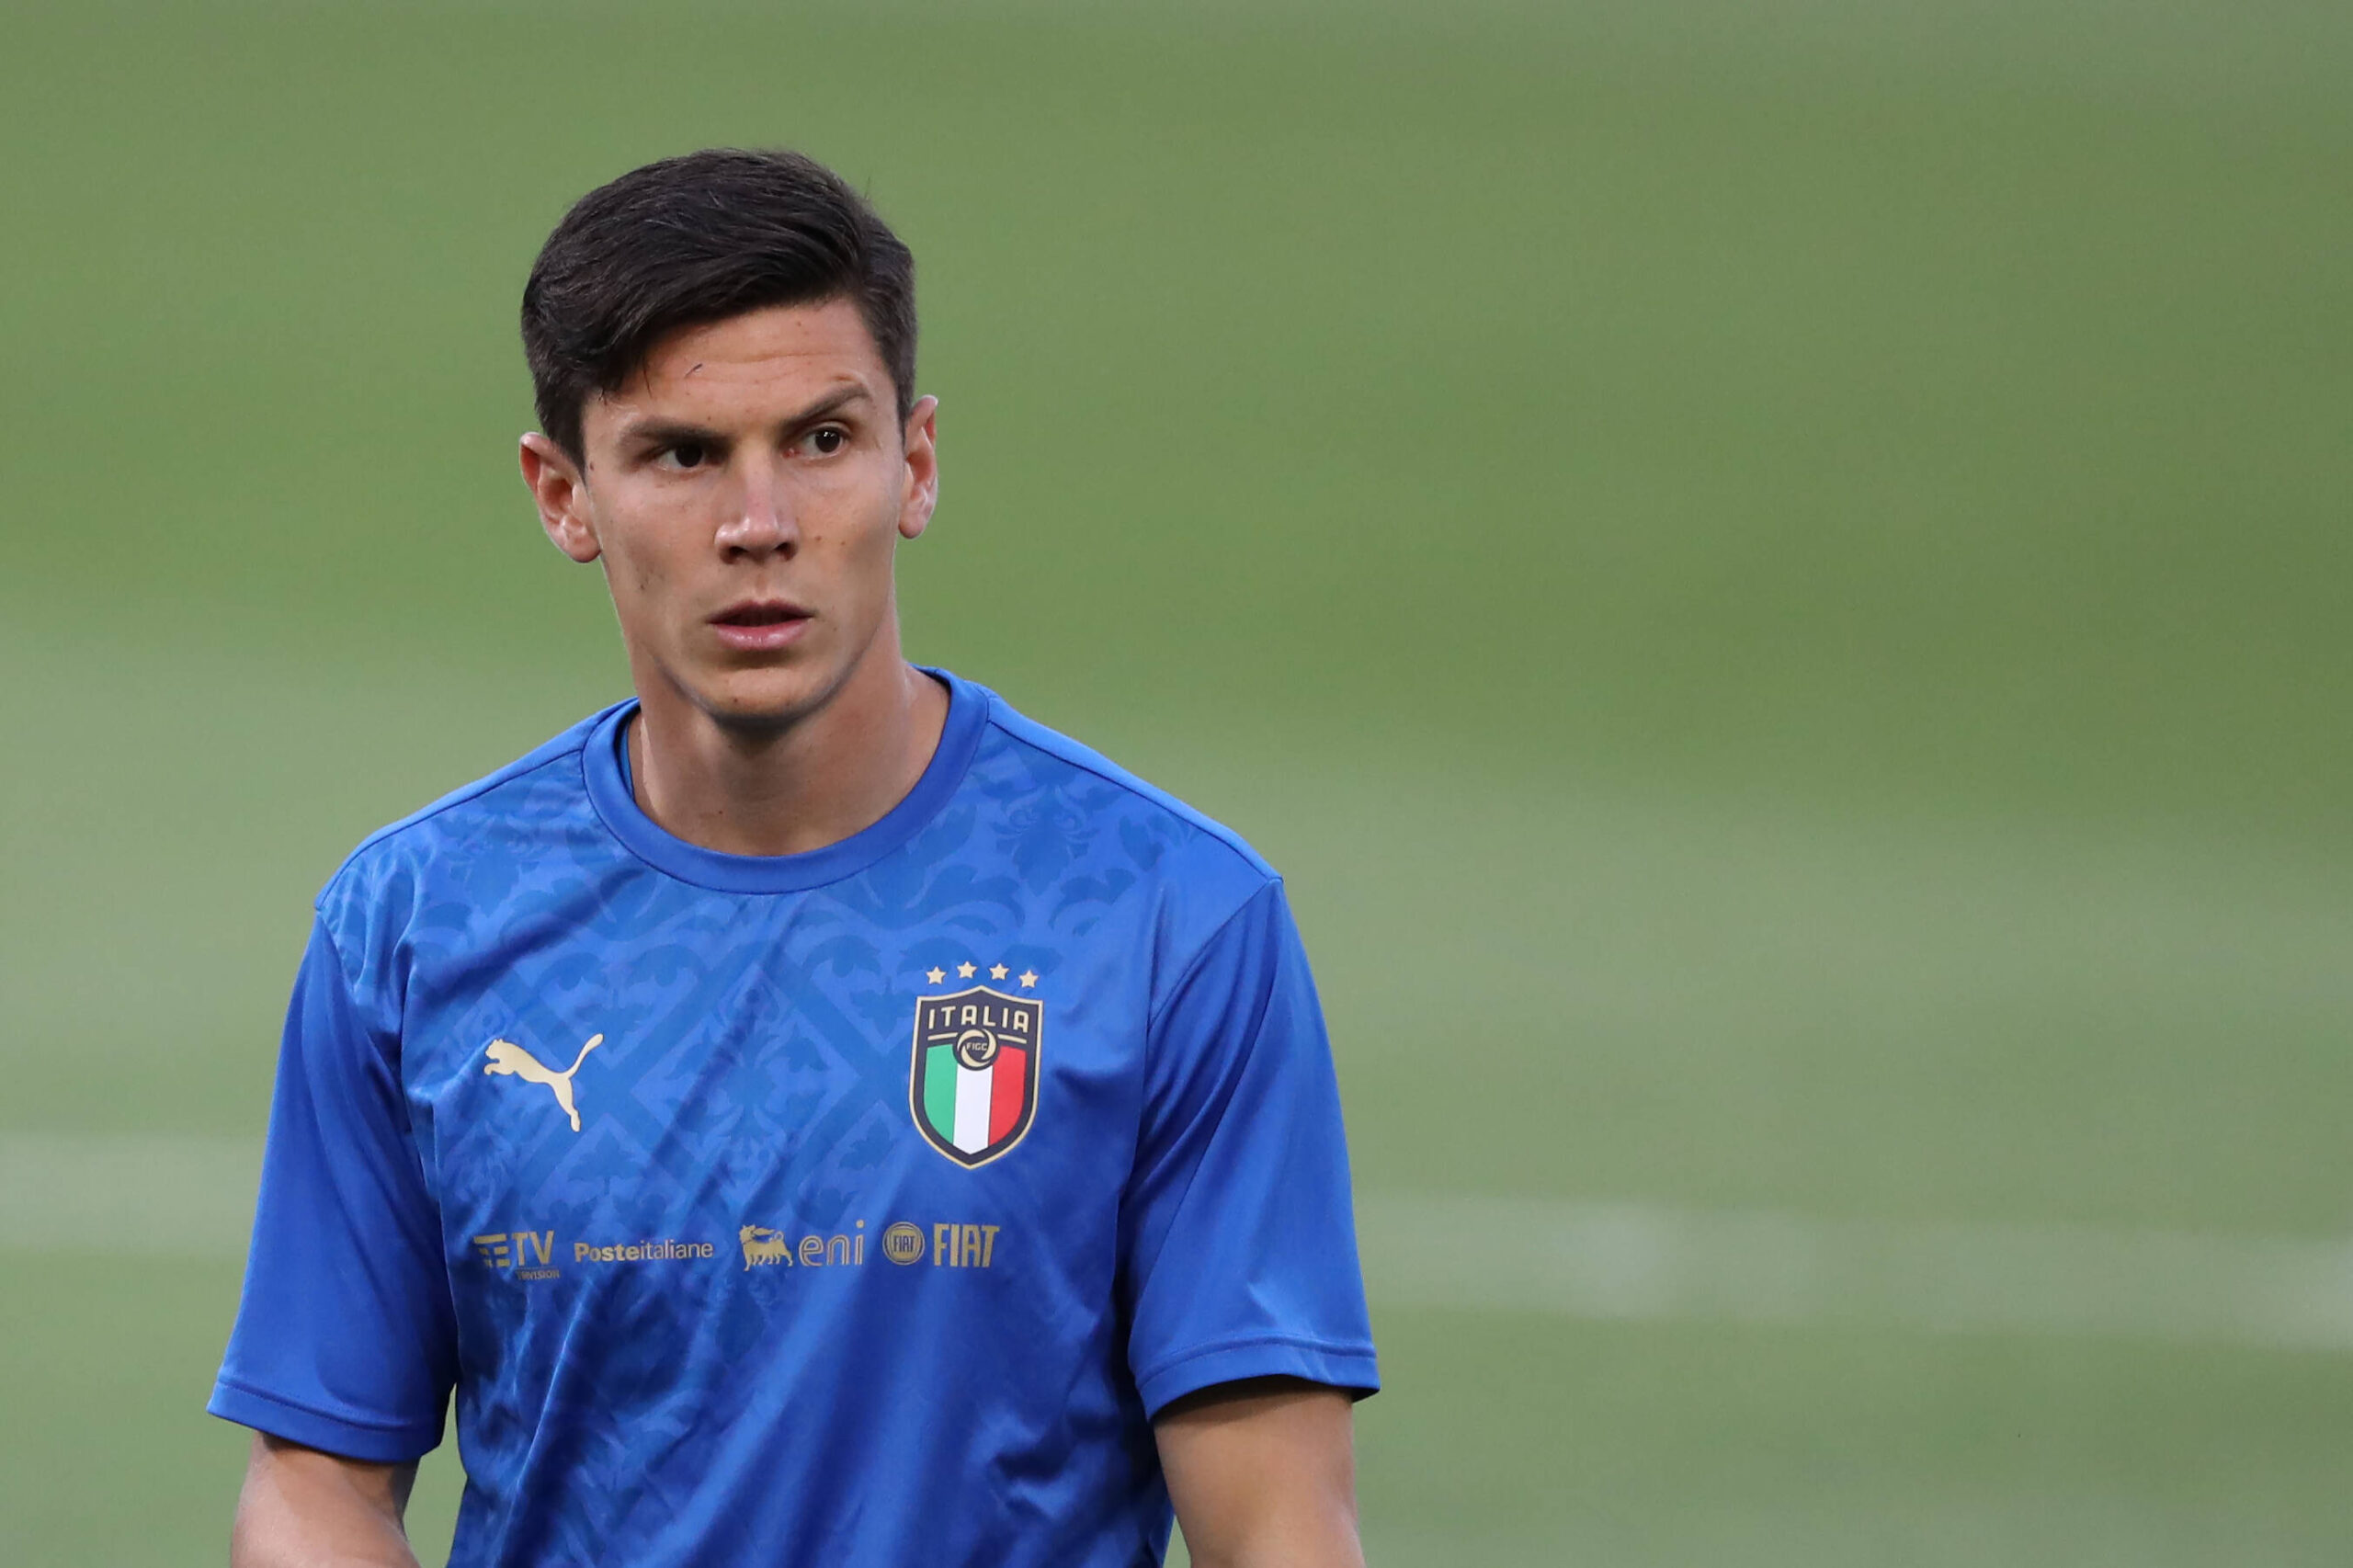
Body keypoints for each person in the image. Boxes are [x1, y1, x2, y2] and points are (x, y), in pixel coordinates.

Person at [209, 147, 1378, 1568]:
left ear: (915, 465)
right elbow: (314, 1484)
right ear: (563, 494)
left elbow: (1276, 1527)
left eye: (821, 440)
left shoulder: (1166, 920)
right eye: (683, 454)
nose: (758, 525)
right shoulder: (412, 925)